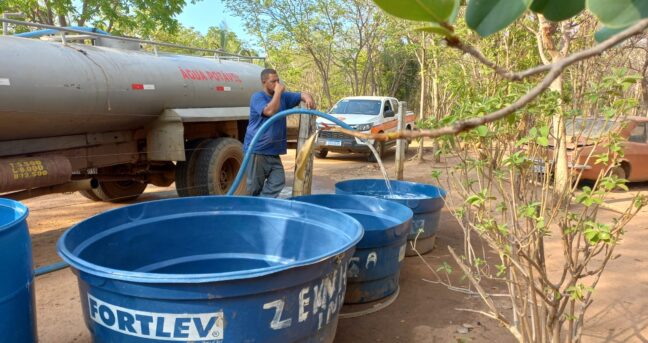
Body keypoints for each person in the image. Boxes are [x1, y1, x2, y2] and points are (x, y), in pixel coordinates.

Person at [243, 68, 316, 197]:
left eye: (278, 81)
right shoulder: (257, 97)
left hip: (273, 152)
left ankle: (261, 204)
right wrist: (277, 93)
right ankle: (252, 210)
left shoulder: (284, 97)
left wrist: (307, 97)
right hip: (257, 151)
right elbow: (269, 111)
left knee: (278, 181)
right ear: (264, 82)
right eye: (273, 81)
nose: (277, 84)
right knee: (253, 188)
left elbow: (300, 95)